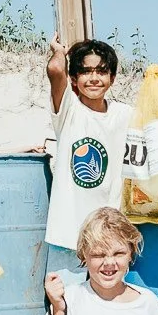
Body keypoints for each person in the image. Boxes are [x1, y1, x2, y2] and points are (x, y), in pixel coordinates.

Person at [43, 37, 134, 265]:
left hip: (110, 235)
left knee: (105, 299)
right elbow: (55, 69)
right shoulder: (69, 110)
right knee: (63, 299)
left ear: (112, 78)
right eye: (85, 72)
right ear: (74, 78)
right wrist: (59, 52)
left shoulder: (125, 114)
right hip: (68, 235)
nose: (94, 78)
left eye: (102, 72)